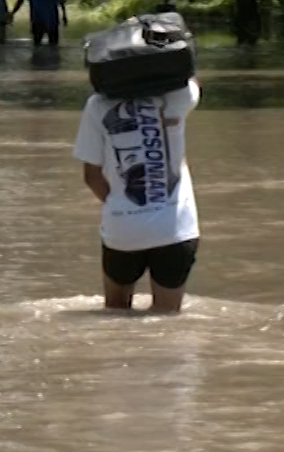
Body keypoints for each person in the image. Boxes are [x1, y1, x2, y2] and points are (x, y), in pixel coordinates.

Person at [73, 75, 202, 313]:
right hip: (173, 229)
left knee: (115, 315)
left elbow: (91, 177)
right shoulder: (178, 96)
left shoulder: (98, 105)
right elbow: (190, 76)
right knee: (167, 321)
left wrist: (118, 204)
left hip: (123, 229)